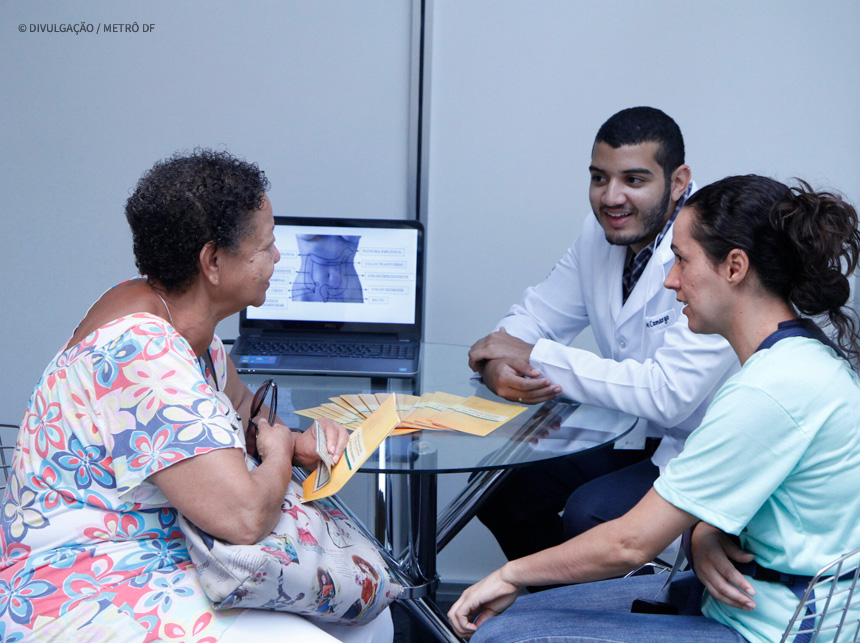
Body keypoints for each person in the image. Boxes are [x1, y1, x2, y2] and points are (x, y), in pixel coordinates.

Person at [0, 150, 394, 643]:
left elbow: (245, 408)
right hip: (86, 581)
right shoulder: (141, 349)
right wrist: (282, 450)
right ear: (212, 261)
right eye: (266, 247)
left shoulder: (182, 322)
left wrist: (295, 438)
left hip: (169, 552)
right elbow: (245, 518)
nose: (278, 259)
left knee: (372, 620)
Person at [449, 174, 860, 642]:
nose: (670, 281)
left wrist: (509, 575)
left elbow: (629, 543)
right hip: (733, 604)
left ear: (734, 268)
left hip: (768, 631)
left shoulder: (770, 389)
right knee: (512, 621)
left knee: (502, 635)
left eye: (682, 261)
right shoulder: (798, 359)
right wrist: (704, 533)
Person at [469, 107, 738, 560]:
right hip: (633, 432)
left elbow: (669, 394)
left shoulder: (713, 244)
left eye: (634, 180)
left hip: (699, 446)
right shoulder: (602, 235)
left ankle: (604, 617)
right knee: (499, 488)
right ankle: (555, 614)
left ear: (677, 181)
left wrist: (534, 354)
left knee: (589, 514)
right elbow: (532, 318)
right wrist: (500, 363)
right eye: (599, 178)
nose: (611, 198)